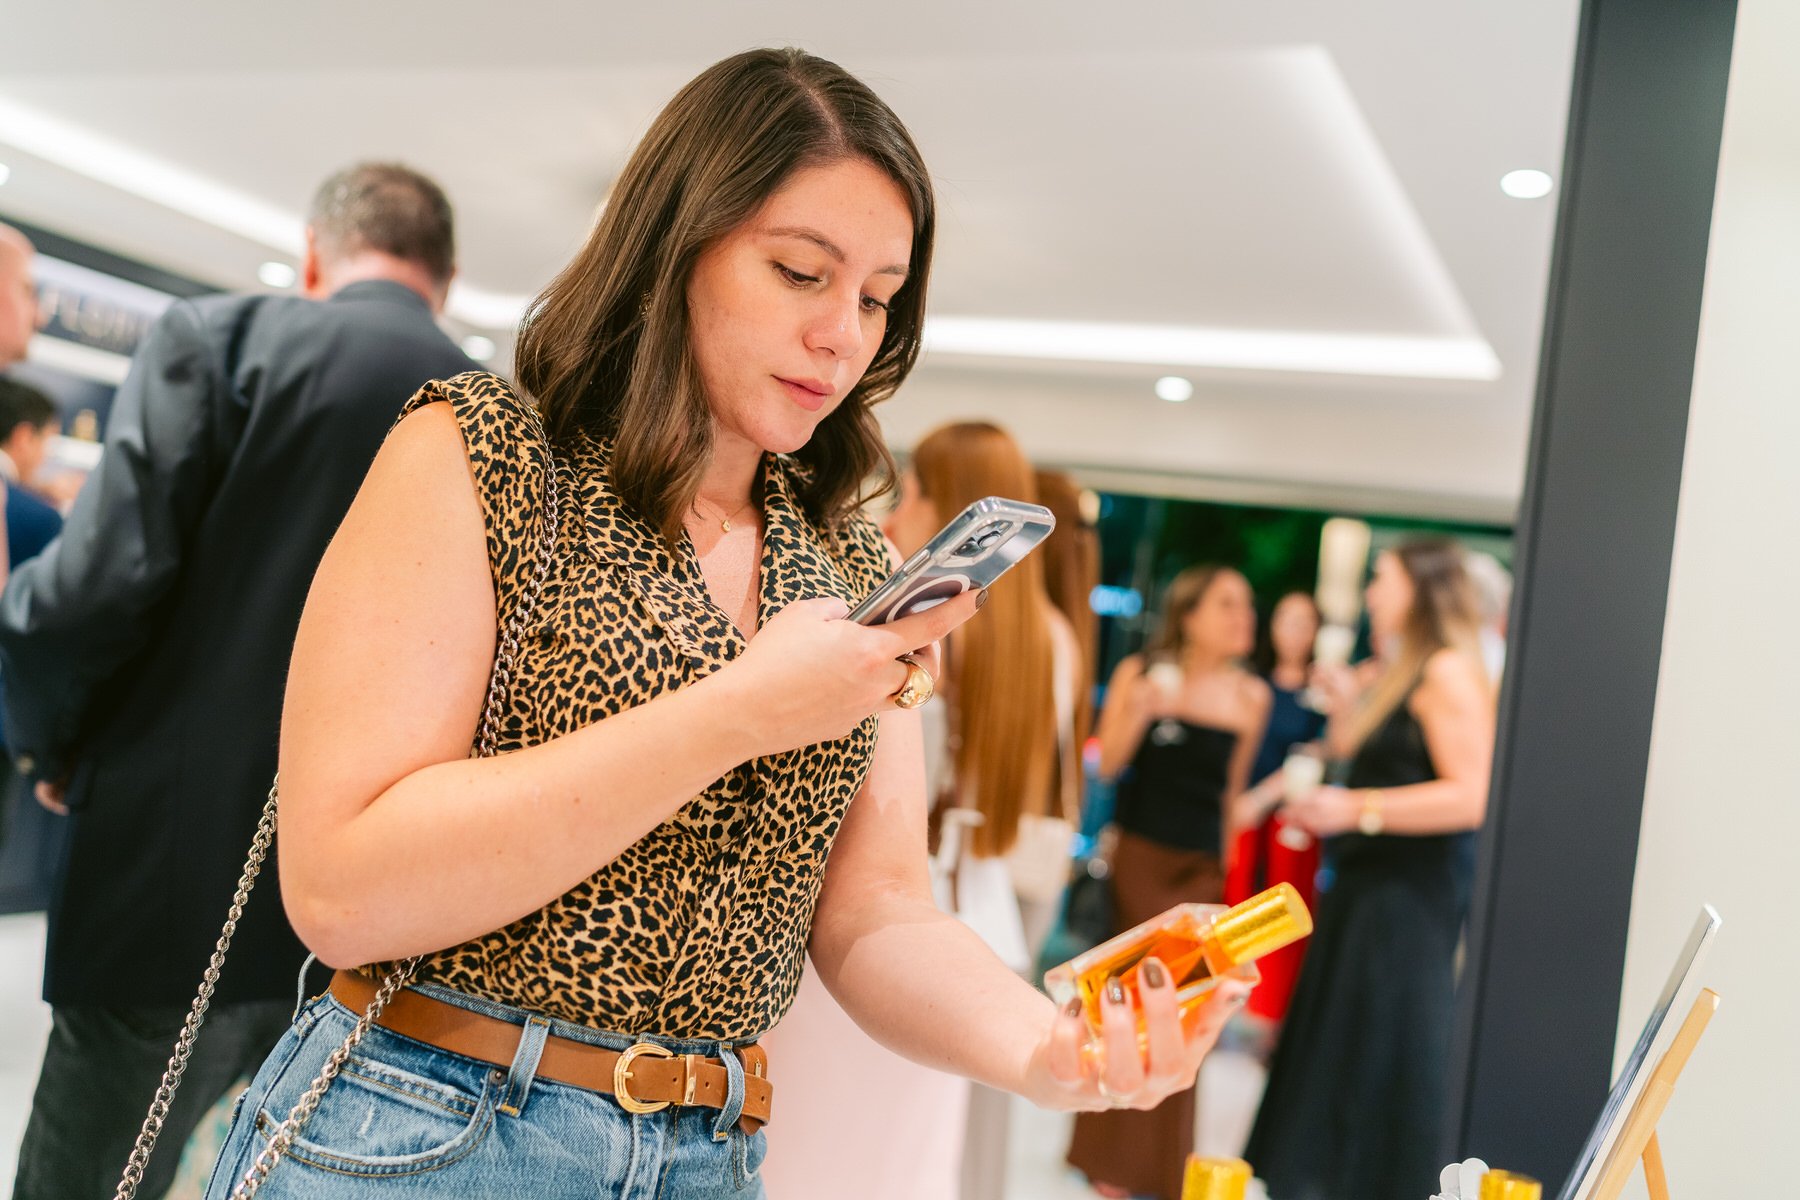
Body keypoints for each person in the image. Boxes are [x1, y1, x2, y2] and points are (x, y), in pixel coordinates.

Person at [198, 49, 1247, 1199]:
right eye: (802, 271)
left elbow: (875, 911)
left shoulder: (844, 557)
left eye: (878, 297)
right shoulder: (484, 454)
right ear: (676, 247)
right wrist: (741, 710)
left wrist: (1049, 1048)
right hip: (427, 1129)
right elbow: (346, 890)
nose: (845, 334)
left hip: (710, 1150)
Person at [0, 162, 475, 1200]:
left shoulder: (220, 345)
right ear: (445, 275)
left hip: (174, 879)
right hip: (387, 921)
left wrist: (52, 741)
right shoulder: (500, 416)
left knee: (91, 1176)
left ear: (314, 255)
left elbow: (95, 588)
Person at [1244, 538, 1495, 1200]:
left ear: (1421, 588)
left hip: (1407, 897)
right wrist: (1345, 704)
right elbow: (1359, 750)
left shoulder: (1446, 671)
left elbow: (1471, 793)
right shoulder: (1404, 671)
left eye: (1382, 580)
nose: (1371, 596)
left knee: (1384, 1045)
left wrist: (1356, 808)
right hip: (1368, 891)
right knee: (1348, 1045)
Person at [1069, 564, 1271, 1200]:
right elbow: (1112, 764)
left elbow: (1230, 794)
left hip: (1199, 872)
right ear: (1189, 615)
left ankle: (1159, 1166)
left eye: (1247, 606)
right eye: (1227, 604)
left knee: (1183, 1016)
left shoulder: (1251, 698)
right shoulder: (1144, 673)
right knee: (1125, 1005)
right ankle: (1105, 1158)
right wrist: (1141, 710)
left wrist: (1226, 876)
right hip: (1139, 860)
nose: (1244, 618)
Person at [1224, 590, 1328, 1030]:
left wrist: (1266, 796)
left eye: (1305, 622)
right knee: (1234, 902)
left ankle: (1269, 1012)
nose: (1294, 631)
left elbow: (1319, 752)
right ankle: (1229, 996)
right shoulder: (1251, 684)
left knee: (1282, 910)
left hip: (1290, 821)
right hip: (1244, 814)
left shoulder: (1319, 694)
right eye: (1287, 619)